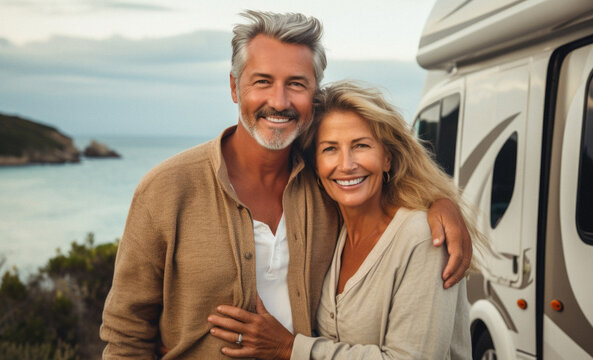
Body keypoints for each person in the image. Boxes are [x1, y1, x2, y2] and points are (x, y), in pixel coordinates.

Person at [100, 11, 472, 359]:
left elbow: (392, 193)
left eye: (296, 84)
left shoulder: (328, 183)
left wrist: (442, 205)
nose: (278, 102)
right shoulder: (167, 189)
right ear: (234, 87)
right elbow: (126, 331)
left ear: (314, 93)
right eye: (262, 82)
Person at [206, 81, 481, 359]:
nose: (347, 164)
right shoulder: (329, 227)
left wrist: (288, 348)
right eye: (330, 149)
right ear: (315, 164)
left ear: (387, 158)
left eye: (361, 145)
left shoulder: (423, 237)